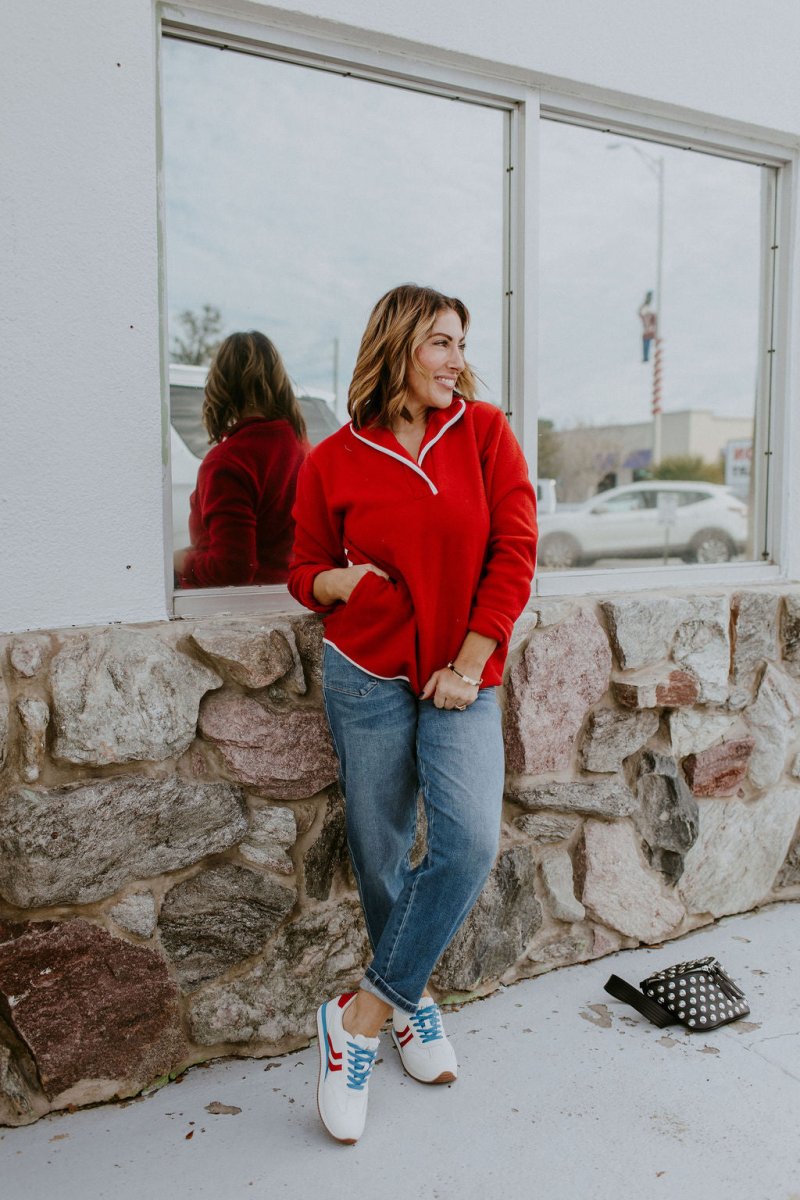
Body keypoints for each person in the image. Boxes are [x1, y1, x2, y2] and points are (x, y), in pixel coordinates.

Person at [288, 283, 537, 1144]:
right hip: (364, 668)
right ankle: (413, 1001)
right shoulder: (332, 460)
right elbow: (304, 570)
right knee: (379, 846)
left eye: (460, 342)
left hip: (462, 671)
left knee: (466, 839)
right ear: (396, 346)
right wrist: (338, 583)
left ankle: (358, 1019)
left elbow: (515, 552)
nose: (456, 358)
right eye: (439, 341)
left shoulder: (486, 434)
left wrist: (472, 661)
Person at [174, 331, 308, 588]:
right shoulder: (300, 448)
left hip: (234, 609)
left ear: (222, 384)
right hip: (287, 598)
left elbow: (232, 569)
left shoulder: (228, 462)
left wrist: (181, 561)